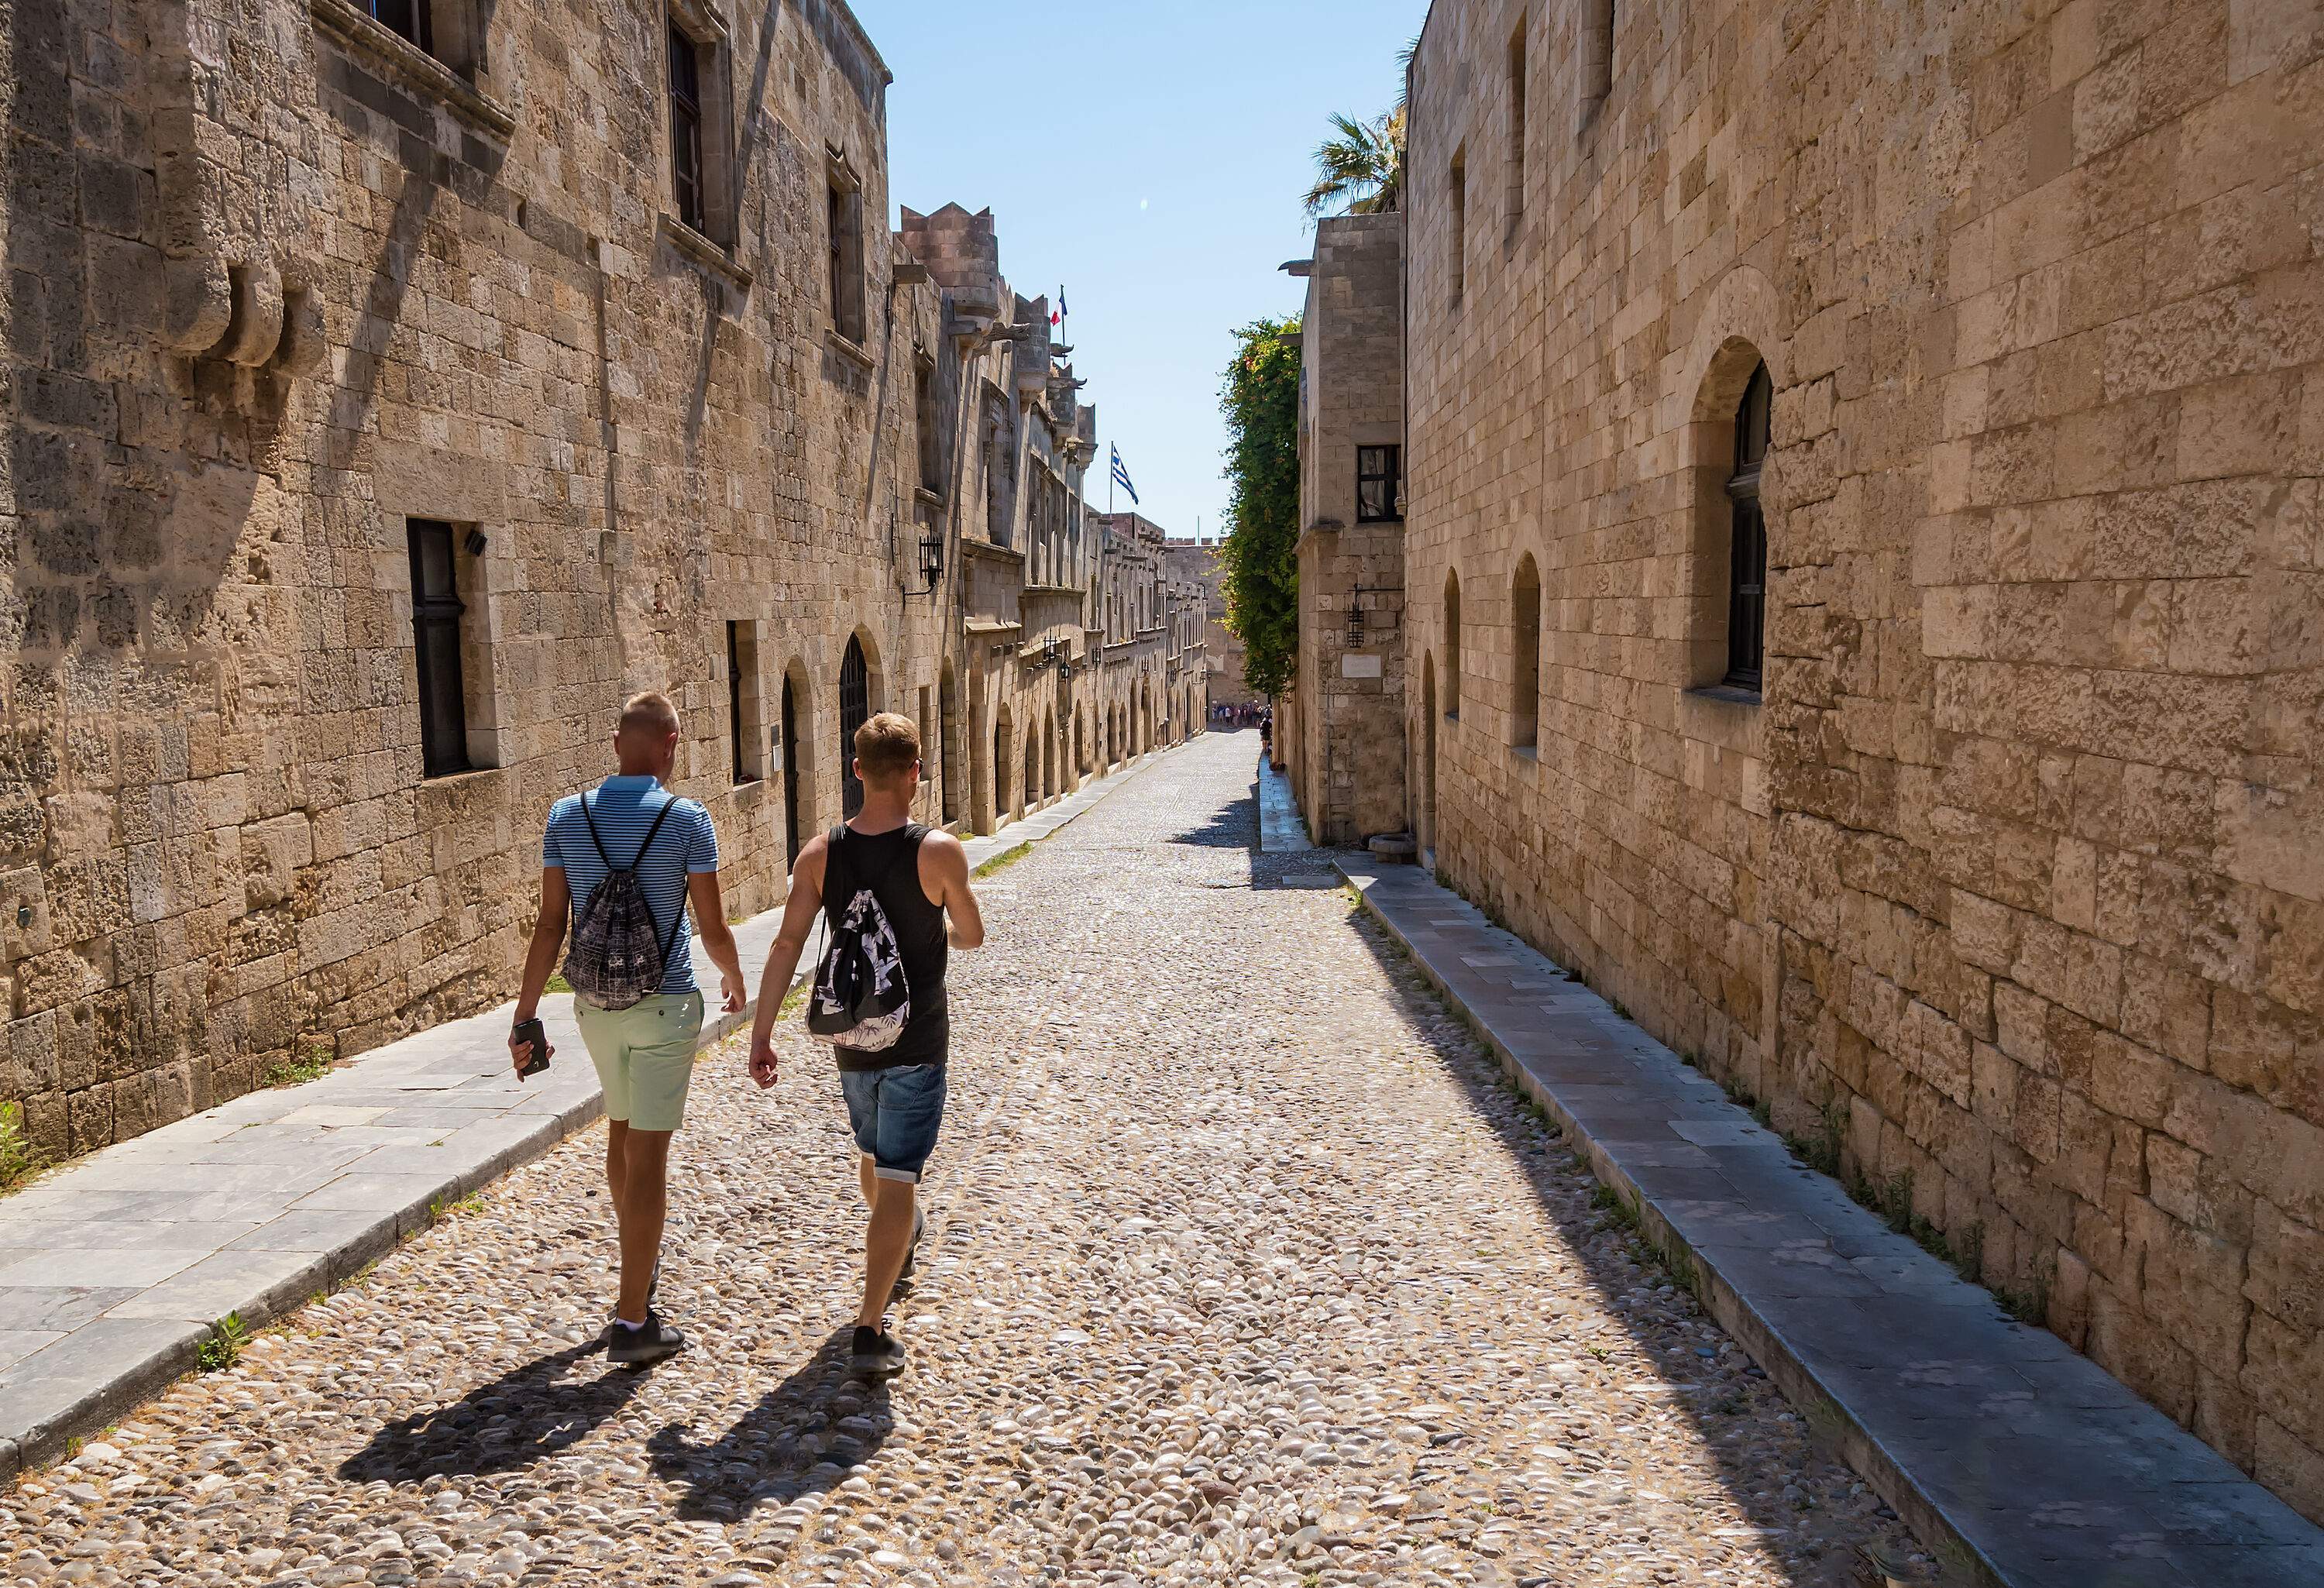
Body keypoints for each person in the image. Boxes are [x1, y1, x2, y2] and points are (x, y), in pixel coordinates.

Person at [509, 690, 747, 1366]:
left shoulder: (566, 816)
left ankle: (638, 1268)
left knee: (621, 1131)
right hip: (665, 1003)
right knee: (648, 1155)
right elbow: (712, 925)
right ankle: (634, 1319)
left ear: (617, 743)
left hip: (595, 1009)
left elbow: (549, 925)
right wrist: (733, 978)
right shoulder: (686, 821)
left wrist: (526, 1011)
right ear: (671, 745)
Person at [746, 712, 985, 1380]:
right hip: (917, 1038)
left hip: (851, 1038)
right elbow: (972, 934)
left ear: (857, 771)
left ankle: (895, 1239)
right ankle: (871, 1328)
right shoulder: (938, 852)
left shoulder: (820, 854)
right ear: (915, 772)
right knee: (900, 1174)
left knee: (875, 1155)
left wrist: (763, 1034)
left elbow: (787, 944)